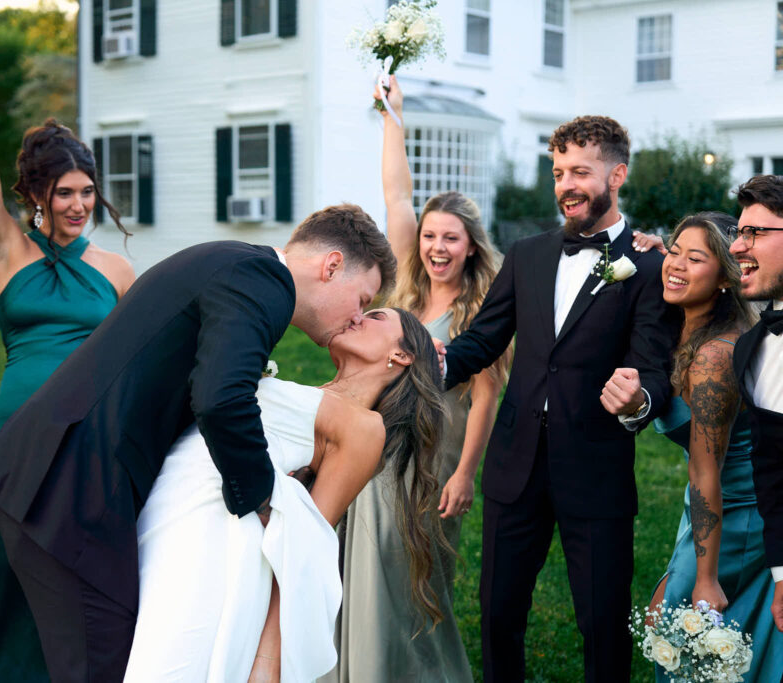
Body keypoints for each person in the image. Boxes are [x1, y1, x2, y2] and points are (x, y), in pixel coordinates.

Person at [0, 198, 396, 681]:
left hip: (58, 474)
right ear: (332, 266)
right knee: (101, 664)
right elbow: (221, 398)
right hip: (71, 485)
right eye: (363, 300)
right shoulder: (263, 280)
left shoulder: (235, 262)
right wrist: (265, 502)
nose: (358, 317)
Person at [0, 5, 136, 681]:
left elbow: (145, 358)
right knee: (8, 575)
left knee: (71, 581)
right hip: (16, 437)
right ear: (38, 197)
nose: (79, 205)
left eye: (87, 192)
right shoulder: (8, 254)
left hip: (86, 442)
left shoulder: (116, 271)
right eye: (64, 193)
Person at [440, 115, 675, 682]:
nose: (567, 184)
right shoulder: (528, 254)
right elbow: (483, 340)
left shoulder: (648, 267)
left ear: (616, 175)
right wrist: (430, 362)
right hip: (514, 462)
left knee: (601, 626)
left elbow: (654, 367)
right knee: (497, 616)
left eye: (581, 172)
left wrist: (637, 399)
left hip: (594, 468)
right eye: (558, 172)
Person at [124, 307, 445, 681]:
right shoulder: (312, 394)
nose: (356, 316)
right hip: (168, 514)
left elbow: (307, 545)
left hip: (210, 545)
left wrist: (266, 662)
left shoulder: (365, 426)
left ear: (401, 355)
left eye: (374, 316)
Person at [321, 76, 510, 683]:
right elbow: (397, 194)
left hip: (440, 449)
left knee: (419, 568)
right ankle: (365, 662)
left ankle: (422, 669)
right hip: (381, 438)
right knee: (367, 558)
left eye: (449, 238)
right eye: (430, 236)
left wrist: (464, 473)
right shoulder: (408, 288)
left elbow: (486, 396)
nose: (436, 246)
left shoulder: (483, 309)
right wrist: (393, 116)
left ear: (471, 246)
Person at [639, 212, 783, 680]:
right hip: (708, 508)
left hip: (737, 522)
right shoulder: (676, 329)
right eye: (673, 249)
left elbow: (706, 474)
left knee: (693, 651)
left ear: (724, 276)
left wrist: (702, 576)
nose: (675, 264)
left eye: (695, 257)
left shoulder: (716, 355)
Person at [729, 174, 783, 634]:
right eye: (738, 232)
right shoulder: (752, 349)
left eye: (753, 233)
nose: (737, 247)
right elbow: (773, 467)